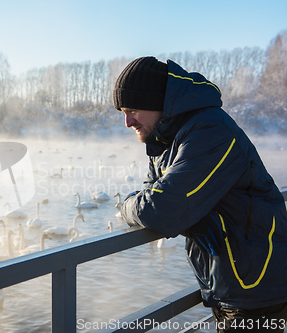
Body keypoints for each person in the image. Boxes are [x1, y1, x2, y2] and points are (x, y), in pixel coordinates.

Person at [114, 56, 287, 332]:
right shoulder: (166, 140)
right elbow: (155, 194)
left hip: (257, 285)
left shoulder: (210, 130)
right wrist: (187, 215)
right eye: (122, 112)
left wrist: (125, 207)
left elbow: (162, 209)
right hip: (232, 281)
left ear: (157, 101)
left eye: (132, 109)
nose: (127, 122)